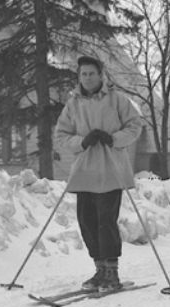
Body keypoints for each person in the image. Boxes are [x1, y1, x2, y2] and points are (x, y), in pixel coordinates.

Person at [55, 55, 143, 291]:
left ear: (100, 75)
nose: (87, 78)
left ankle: (112, 273)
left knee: (106, 222)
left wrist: (113, 138)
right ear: (79, 77)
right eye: (83, 74)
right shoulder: (73, 104)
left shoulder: (117, 100)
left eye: (91, 73)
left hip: (111, 170)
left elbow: (135, 126)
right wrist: (82, 141)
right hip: (84, 172)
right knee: (87, 222)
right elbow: (61, 136)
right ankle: (99, 270)